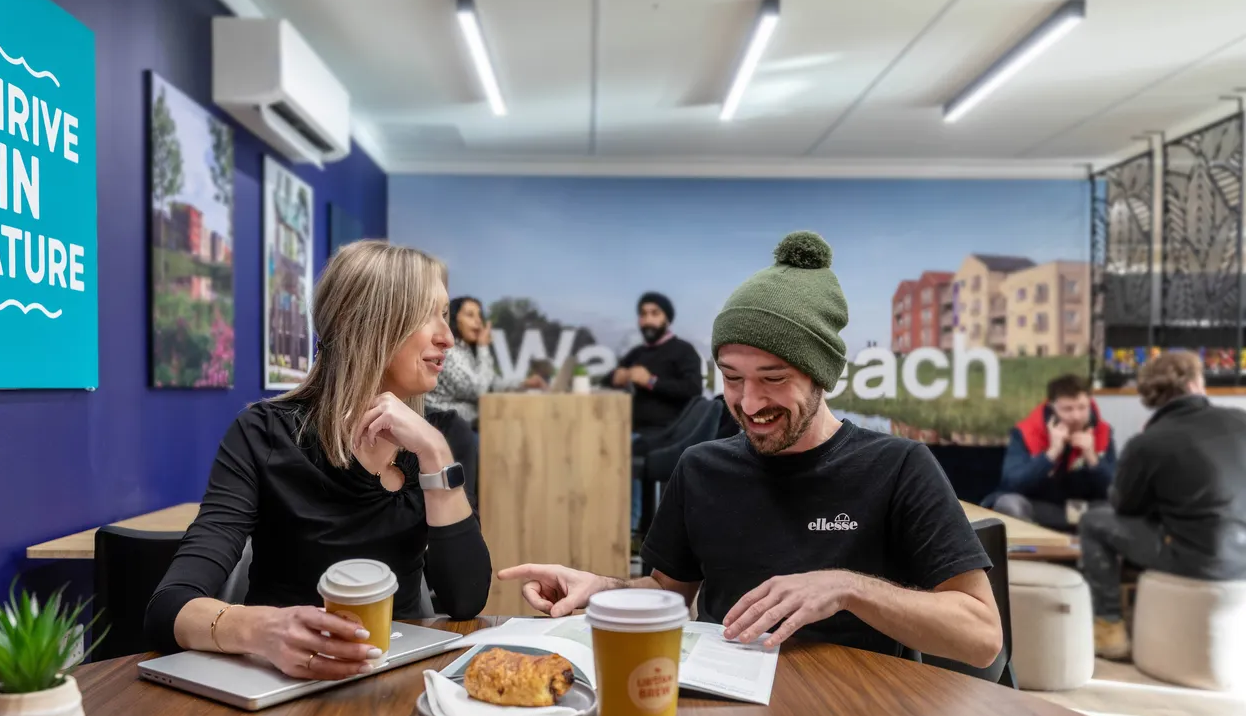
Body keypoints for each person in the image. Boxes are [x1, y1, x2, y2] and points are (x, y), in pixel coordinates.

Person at [500, 232, 1002, 667]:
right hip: (726, 713)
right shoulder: (701, 468)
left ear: (821, 375)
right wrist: (602, 590)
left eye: (773, 378)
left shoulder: (898, 467)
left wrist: (846, 587)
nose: (749, 402)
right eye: (732, 378)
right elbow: (668, 597)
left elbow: (981, 640)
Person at [144, 241, 492, 681]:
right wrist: (260, 630)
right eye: (429, 314)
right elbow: (169, 606)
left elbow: (466, 600)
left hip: (399, 678)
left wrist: (436, 455)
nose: (448, 337)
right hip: (277, 679)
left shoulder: (443, 436)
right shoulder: (261, 432)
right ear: (368, 323)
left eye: (446, 314)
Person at [1081, 352, 1246, 660]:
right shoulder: (1241, 421)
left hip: (1198, 560)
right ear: (1197, 383)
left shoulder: (1148, 443)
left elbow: (1126, 508)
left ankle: (1109, 628)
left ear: (1149, 399)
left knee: (1094, 521)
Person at [986, 374, 1116, 531]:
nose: (1076, 416)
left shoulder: (1102, 432)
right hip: (1041, 507)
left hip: (1086, 509)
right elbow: (1011, 483)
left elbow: (1115, 490)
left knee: (1117, 509)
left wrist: (1092, 458)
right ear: (1052, 408)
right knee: (1009, 503)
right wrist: (1050, 455)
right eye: (1067, 409)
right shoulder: (1027, 432)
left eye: (1082, 408)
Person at [425, 296, 545, 427]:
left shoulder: (467, 350)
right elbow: (480, 390)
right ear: (454, 320)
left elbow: (491, 383)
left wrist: (524, 383)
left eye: (479, 316)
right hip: (446, 430)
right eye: (470, 315)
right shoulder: (448, 352)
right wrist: (483, 347)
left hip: (468, 427)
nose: (478, 321)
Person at [609, 292, 704, 438]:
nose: (648, 320)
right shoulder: (637, 353)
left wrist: (651, 381)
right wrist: (615, 378)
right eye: (643, 315)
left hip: (664, 434)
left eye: (655, 314)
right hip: (626, 426)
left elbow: (693, 389)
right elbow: (608, 379)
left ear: (667, 319)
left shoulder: (683, 350)